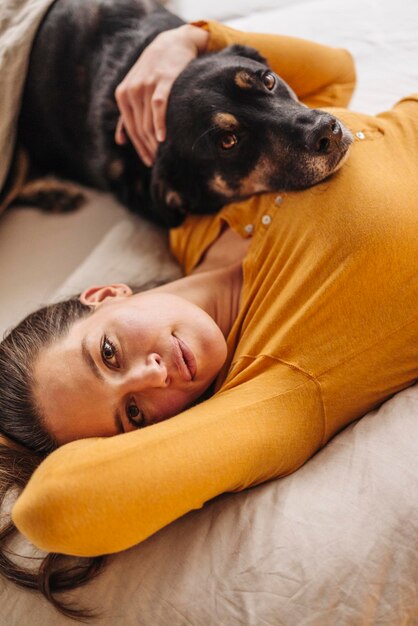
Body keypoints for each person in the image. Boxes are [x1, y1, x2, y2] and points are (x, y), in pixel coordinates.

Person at [0, 19, 417, 619]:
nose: (152, 377)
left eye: (109, 354)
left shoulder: (197, 203)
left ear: (106, 294)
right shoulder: (277, 387)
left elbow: (333, 73)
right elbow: (55, 507)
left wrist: (188, 41)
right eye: (134, 417)